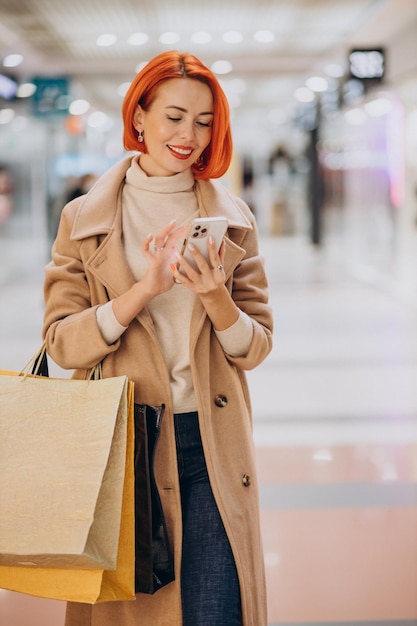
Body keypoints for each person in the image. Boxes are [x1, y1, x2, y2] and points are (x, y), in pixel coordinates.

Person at [42, 50, 273, 626]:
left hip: (211, 444)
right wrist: (142, 291)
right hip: (125, 448)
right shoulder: (84, 219)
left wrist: (216, 297)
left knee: (217, 609)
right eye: (174, 116)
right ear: (138, 116)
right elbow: (62, 344)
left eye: (203, 122)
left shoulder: (232, 217)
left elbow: (257, 345)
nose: (188, 135)